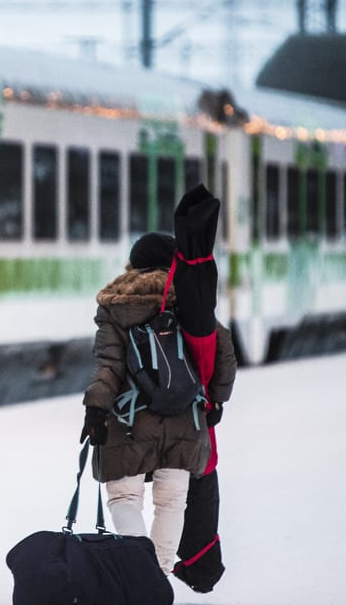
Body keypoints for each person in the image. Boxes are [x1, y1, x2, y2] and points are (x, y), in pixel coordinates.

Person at [80, 231, 236, 575]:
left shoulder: (115, 305)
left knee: (124, 498)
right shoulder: (189, 302)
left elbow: (108, 365)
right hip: (185, 419)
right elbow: (223, 349)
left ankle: (140, 575)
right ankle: (160, 577)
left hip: (129, 419)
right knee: (171, 502)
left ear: (133, 264)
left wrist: (95, 409)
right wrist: (217, 401)